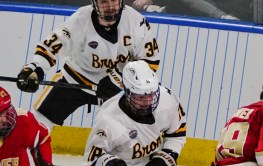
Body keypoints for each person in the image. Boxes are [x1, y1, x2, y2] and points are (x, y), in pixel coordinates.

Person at [15, 0, 160, 130]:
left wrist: (120, 81)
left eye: (114, 1)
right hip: (76, 77)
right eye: (104, 2)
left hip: (117, 87)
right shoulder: (80, 19)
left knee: (127, 132)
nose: (110, 7)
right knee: (37, 123)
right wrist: (35, 68)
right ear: (94, 3)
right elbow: (52, 46)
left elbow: (150, 62)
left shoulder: (137, 22)